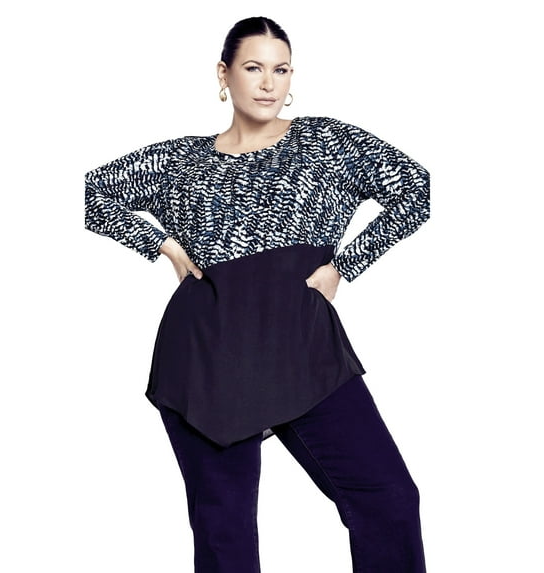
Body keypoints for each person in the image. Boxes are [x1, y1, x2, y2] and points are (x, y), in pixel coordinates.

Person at [85, 16, 429, 573]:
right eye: (253, 68)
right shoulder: (180, 161)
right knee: (225, 533)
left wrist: (345, 266)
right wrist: (164, 246)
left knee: (388, 498)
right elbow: (91, 193)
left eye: (281, 69)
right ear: (224, 75)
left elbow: (416, 190)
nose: (269, 83)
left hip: (303, 349)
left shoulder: (326, 142)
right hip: (206, 358)